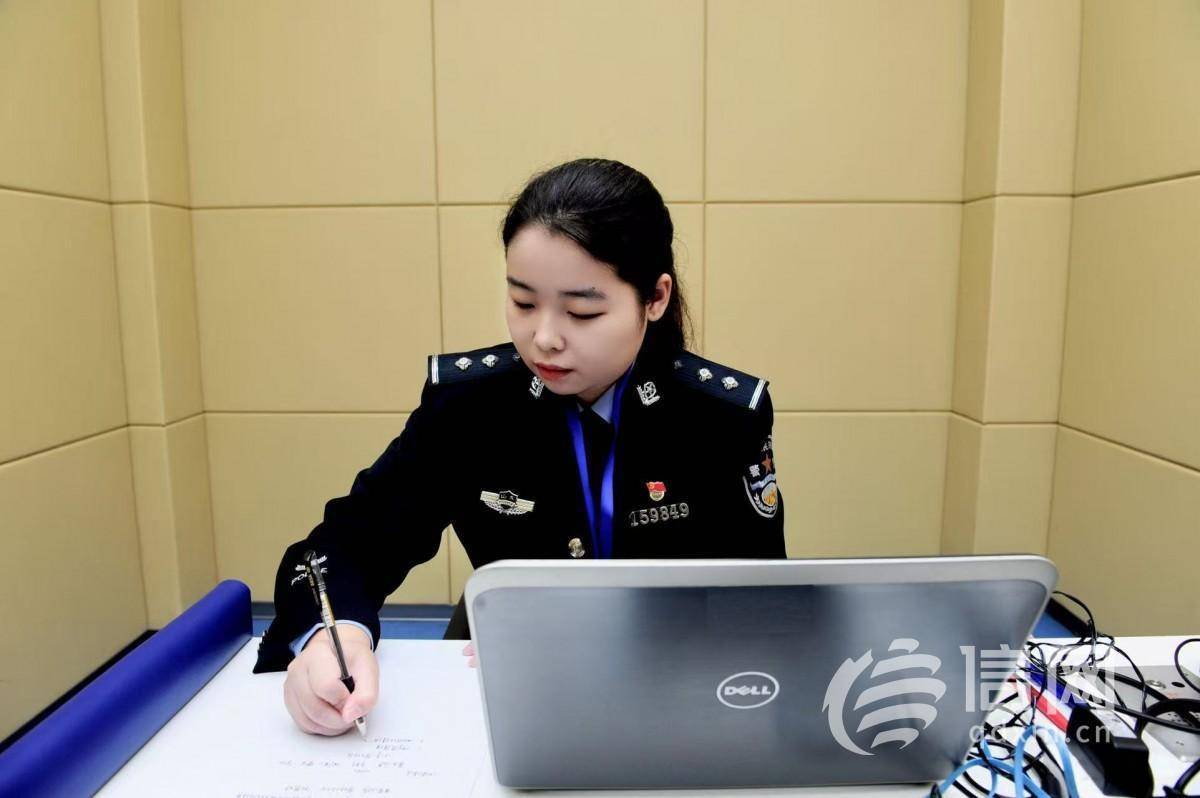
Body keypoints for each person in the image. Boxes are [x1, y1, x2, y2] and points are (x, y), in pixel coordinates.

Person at [256, 158, 786, 736]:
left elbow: (759, 601)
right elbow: (347, 545)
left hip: (670, 693)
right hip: (505, 687)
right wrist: (334, 637)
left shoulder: (719, 418)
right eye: (524, 303)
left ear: (655, 298)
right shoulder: (469, 407)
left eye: (582, 311)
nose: (545, 339)